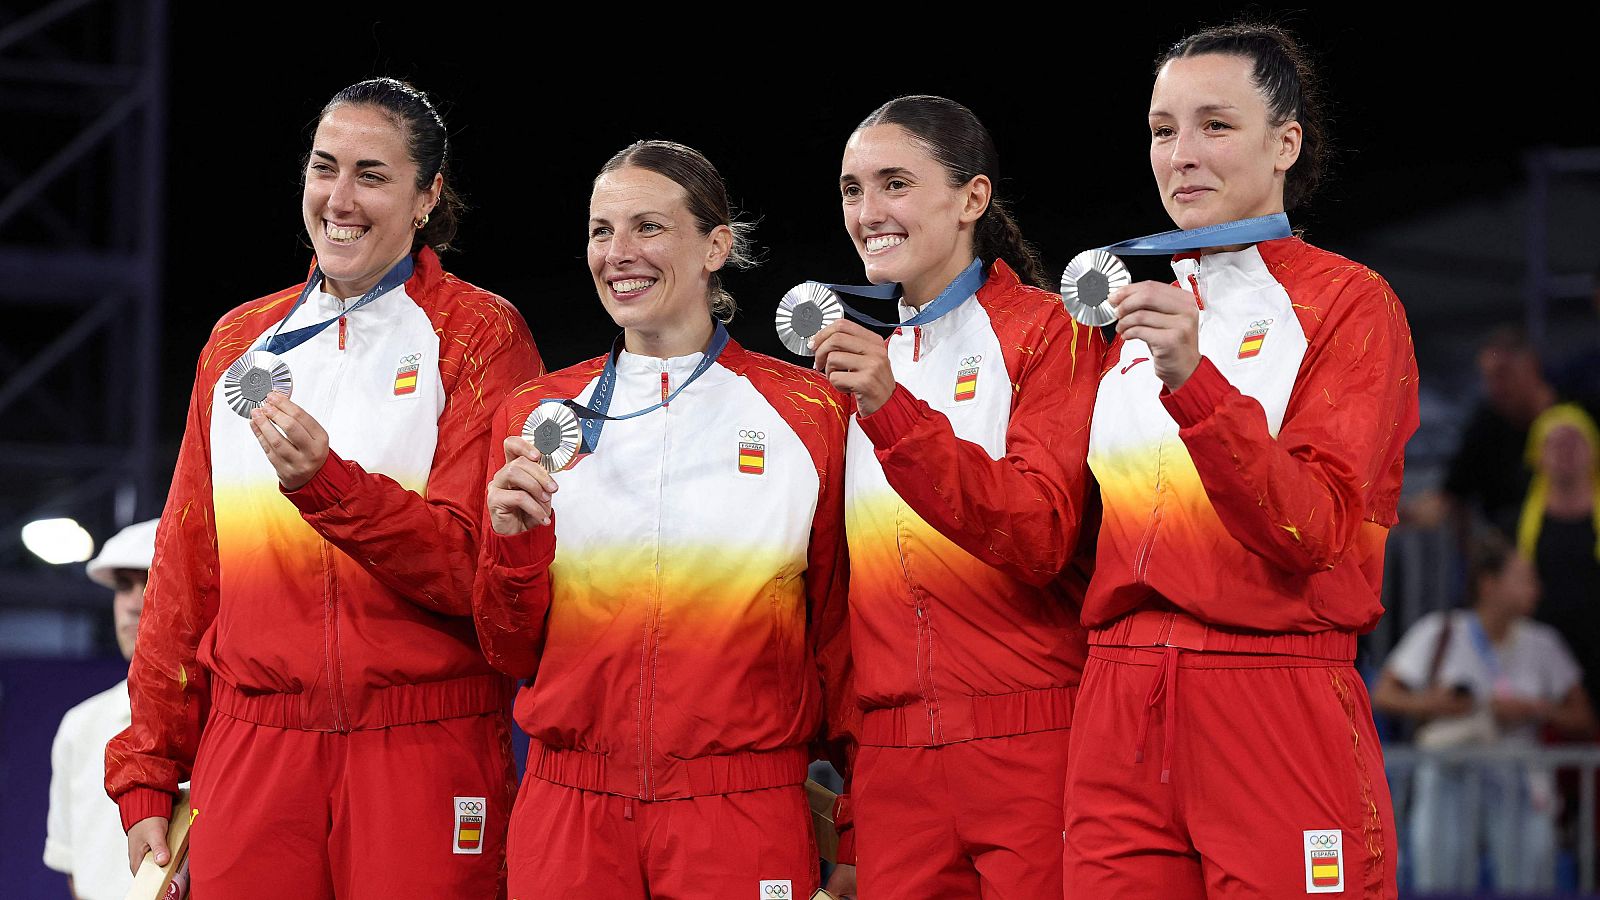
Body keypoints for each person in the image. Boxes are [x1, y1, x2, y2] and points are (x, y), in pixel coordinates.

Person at [106, 78, 541, 899]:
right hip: (254, 747)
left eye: (371, 176)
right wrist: (148, 767)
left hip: (424, 742)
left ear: (427, 196)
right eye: (324, 168)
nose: (339, 199)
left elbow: (475, 573)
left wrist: (328, 486)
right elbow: (184, 571)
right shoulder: (239, 339)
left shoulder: (478, 333)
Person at [1063, 23, 1419, 898]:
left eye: (1215, 125)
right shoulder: (1121, 315)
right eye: (1162, 129)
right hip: (1117, 697)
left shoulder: (1348, 305)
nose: (1181, 154)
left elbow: (1316, 529)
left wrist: (1194, 380)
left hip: (1272, 685)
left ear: (1285, 143)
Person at [474, 140, 853, 899]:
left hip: (741, 804)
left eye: (648, 227)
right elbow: (507, 648)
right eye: (600, 231)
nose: (619, 254)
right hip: (569, 806)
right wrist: (511, 554)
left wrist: (854, 820)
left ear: (716, 246)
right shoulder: (535, 413)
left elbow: (841, 637)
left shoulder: (809, 413)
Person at [809, 95, 1104, 899]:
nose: (869, 213)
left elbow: (1041, 533)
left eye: (894, 184)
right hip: (893, 757)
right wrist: (854, 754)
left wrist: (892, 411)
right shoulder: (851, 368)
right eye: (851, 189)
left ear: (972, 198)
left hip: (1035, 736)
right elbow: (832, 599)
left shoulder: (1049, 333)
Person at [1373, 530, 1598, 892]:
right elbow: (1382, 694)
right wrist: (1436, 704)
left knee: (1525, 889)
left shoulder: (1544, 644)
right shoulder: (1440, 631)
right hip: (1447, 773)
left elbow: (1584, 720)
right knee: (1440, 886)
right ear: (1489, 584)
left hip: (1519, 780)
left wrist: (1536, 710)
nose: (1536, 588)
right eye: (1524, 578)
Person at [44, 519, 158, 900]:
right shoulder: (80, 727)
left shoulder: (229, 720)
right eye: (123, 586)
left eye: (152, 580)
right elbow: (75, 867)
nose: (132, 602)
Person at [1517, 403, 1600, 704]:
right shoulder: (1515, 520)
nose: (1566, 452)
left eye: (1575, 442)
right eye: (1555, 443)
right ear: (1537, 454)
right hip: (1542, 645)